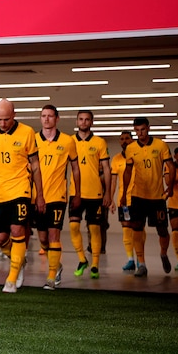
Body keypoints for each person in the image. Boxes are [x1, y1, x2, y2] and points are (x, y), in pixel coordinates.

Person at [0, 98, 44, 293]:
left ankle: (11, 279)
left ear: (14, 116)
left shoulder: (27, 133)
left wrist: (40, 195)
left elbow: (35, 166)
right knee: (0, 238)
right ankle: (18, 261)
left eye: (7, 119)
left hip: (20, 190)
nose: (3, 124)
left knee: (18, 230)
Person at [120, 117, 175, 277]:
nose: (140, 133)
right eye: (137, 130)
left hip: (157, 197)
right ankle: (141, 264)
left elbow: (171, 166)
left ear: (148, 128)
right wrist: (124, 194)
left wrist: (170, 188)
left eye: (142, 129)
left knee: (162, 230)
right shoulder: (131, 148)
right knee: (136, 228)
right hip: (138, 195)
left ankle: (163, 253)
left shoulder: (161, 145)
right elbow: (128, 171)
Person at [33, 104, 80, 290]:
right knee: (43, 240)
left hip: (58, 197)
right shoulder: (34, 140)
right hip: (37, 197)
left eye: (50, 116)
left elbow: (76, 168)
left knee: (54, 235)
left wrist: (77, 192)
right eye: (43, 116)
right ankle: (57, 265)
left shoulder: (68, 141)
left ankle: (51, 276)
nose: (46, 119)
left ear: (57, 119)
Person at [69, 110, 111, 279]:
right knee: (73, 226)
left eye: (87, 119)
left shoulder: (100, 142)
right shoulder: (70, 141)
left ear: (91, 122)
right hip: (75, 192)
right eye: (81, 119)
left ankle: (94, 265)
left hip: (95, 194)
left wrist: (108, 193)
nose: (84, 122)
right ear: (77, 121)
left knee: (94, 229)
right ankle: (82, 259)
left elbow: (107, 169)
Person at [110, 130, 136, 270]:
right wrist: (111, 198)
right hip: (123, 200)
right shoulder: (116, 159)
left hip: (138, 198)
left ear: (132, 140)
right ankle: (130, 259)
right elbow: (113, 180)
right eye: (122, 139)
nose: (124, 141)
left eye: (127, 138)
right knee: (126, 228)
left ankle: (140, 258)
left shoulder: (137, 155)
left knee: (138, 229)